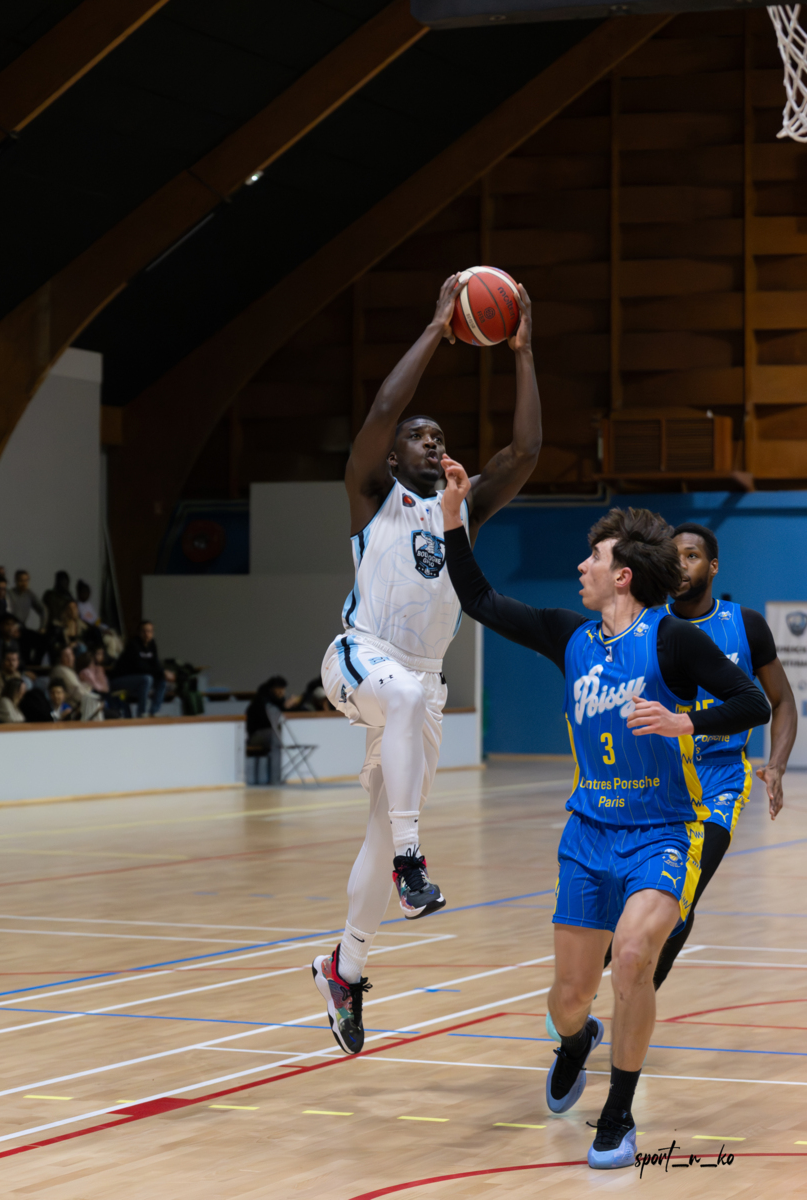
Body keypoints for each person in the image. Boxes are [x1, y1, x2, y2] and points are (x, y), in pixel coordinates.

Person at [439, 471, 771, 1169]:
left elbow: (753, 702)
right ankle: (576, 1039)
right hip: (588, 835)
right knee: (569, 998)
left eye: (592, 558)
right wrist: (450, 519)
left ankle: (617, 1115)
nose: (580, 567)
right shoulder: (568, 636)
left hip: (663, 832)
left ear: (623, 575)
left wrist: (686, 720)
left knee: (634, 957)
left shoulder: (674, 640)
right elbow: (478, 599)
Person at [312, 275, 542, 1056]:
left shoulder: (460, 508)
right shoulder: (370, 493)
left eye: (441, 436)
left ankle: (345, 969)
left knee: (380, 832)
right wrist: (440, 326)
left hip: (423, 687)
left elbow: (526, 451)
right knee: (405, 702)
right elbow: (384, 407)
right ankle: (415, 866)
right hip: (359, 656)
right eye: (420, 436)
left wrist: (522, 351)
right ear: (393, 453)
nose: (433, 442)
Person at [601, 523, 796, 991]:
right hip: (660, 778)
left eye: (691, 556)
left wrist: (776, 764)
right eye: (674, 557)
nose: (682, 565)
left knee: (681, 895)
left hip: (721, 777)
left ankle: (639, 997)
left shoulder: (745, 625)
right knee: (623, 901)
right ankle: (583, 993)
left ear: (713, 566)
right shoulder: (647, 624)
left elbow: (782, 701)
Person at [111, 620, 172, 716]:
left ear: (153, 633)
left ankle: (154, 711)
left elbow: (156, 664)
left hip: (139, 679)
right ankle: (142, 712)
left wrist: (163, 672)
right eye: (144, 631)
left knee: (161, 680)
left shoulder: (152, 644)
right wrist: (160, 672)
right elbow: (139, 668)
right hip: (121, 680)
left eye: (149, 631)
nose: (147, 634)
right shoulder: (133, 645)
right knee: (147, 679)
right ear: (139, 632)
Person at [246, 676, 300, 784]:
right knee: (277, 736)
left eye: (283, 689)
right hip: (257, 734)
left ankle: (287, 776)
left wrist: (293, 706)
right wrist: (284, 708)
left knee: (281, 735)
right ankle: (276, 778)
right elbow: (269, 721)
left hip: (271, 733)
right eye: (278, 688)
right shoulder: (262, 701)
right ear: (271, 689)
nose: (281, 692)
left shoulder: (279, 701)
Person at [9, 569, 47, 663]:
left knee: (43, 641)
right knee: (23, 643)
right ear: (16, 581)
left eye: (26, 580)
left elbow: (43, 610)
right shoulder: (10, 594)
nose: (24, 583)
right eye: (21, 580)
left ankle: (35, 665)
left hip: (22, 627)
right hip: (12, 627)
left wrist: (42, 627)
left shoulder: (29, 594)